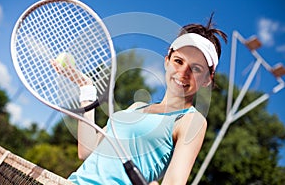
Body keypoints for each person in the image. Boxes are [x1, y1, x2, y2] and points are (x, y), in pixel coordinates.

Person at [52, 14, 227, 184]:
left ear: (207, 79)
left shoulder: (191, 120)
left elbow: (174, 181)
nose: (183, 73)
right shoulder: (136, 107)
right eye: (178, 61)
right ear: (167, 61)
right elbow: (87, 151)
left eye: (195, 69)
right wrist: (87, 88)